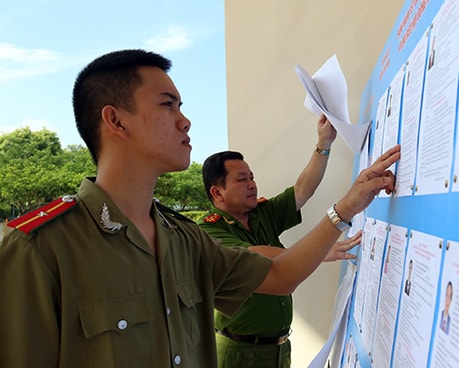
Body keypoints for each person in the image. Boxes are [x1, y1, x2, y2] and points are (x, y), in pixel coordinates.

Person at [0, 49, 401, 368]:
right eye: (167, 105)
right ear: (116, 121)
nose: (186, 121)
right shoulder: (38, 249)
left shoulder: (182, 238)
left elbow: (280, 275)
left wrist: (348, 206)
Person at [198, 116, 361, 368]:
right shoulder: (208, 231)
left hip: (279, 348)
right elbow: (257, 255)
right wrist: (320, 250)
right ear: (217, 192)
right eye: (242, 180)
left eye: (251, 177)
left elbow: (302, 189)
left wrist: (324, 144)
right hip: (239, 353)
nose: (252, 184)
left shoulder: (261, 214)